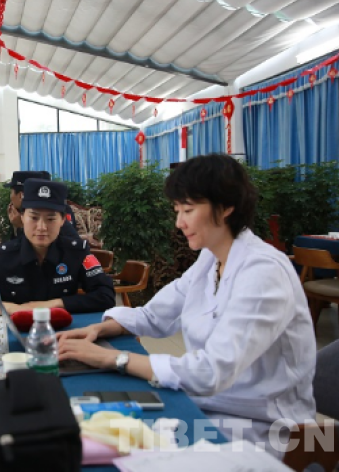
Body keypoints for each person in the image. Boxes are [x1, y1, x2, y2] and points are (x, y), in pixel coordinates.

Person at [57, 154, 316, 455]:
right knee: (99, 431)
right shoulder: (211, 259)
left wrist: (114, 359)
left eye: (188, 210)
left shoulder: (263, 272)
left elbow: (210, 372)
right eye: (177, 210)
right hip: (211, 407)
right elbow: (154, 315)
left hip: (263, 429)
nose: (179, 223)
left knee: (122, 447)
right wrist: (97, 330)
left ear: (226, 207)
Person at [0, 179, 115, 316]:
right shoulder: (2, 256)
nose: (41, 227)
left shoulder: (77, 252)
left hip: (64, 331)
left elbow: (106, 295)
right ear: (22, 217)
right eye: (33, 217)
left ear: (63, 220)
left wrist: (53, 304)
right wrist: (13, 309)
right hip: (17, 331)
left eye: (50, 219)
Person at [5, 171, 79, 241]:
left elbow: (70, 241)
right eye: (34, 218)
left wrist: (22, 226)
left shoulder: (57, 211)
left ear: (21, 195)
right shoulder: (18, 215)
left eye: (11, 192)